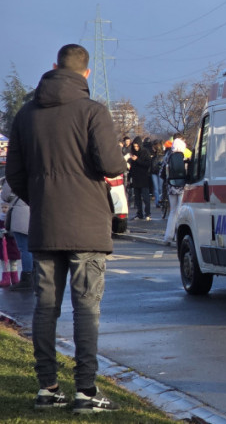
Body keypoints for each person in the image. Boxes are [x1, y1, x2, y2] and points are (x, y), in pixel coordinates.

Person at [6, 44, 126, 413]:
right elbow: (111, 164)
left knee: (46, 308)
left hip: (45, 223)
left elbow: (15, 176)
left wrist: (43, 197)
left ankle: (48, 387)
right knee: (86, 308)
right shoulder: (93, 112)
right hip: (88, 224)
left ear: (54, 67)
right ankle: (86, 391)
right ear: (86, 74)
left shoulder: (26, 116)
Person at [2, 179, 33, 291]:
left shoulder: (12, 175)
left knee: (24, 248)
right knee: (34, 248)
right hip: (35, 213)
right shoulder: (34, 172)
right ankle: (35, 276)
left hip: (21, 215)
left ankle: (27, 278)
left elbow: (5, 196)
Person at [162, 141, 188, 244]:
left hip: (171, 186)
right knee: (180, 210)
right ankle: (178, 236)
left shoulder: (168, 156)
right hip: (182, 186)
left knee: (173, 211)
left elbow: (162, 172)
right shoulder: (184, 157)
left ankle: (168, 236)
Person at [128, 136, 153, 220]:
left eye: (137, 146)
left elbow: (147, 164)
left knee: (146, 197)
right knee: (137, 198)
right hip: (135, 178)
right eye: (134, 146)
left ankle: (148, 213)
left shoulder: (145, 152)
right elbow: (131, 167)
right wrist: (129, 178)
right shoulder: (133, 152)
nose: (136, 148)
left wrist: (137, 159)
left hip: (144, 177)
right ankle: (139, 213)